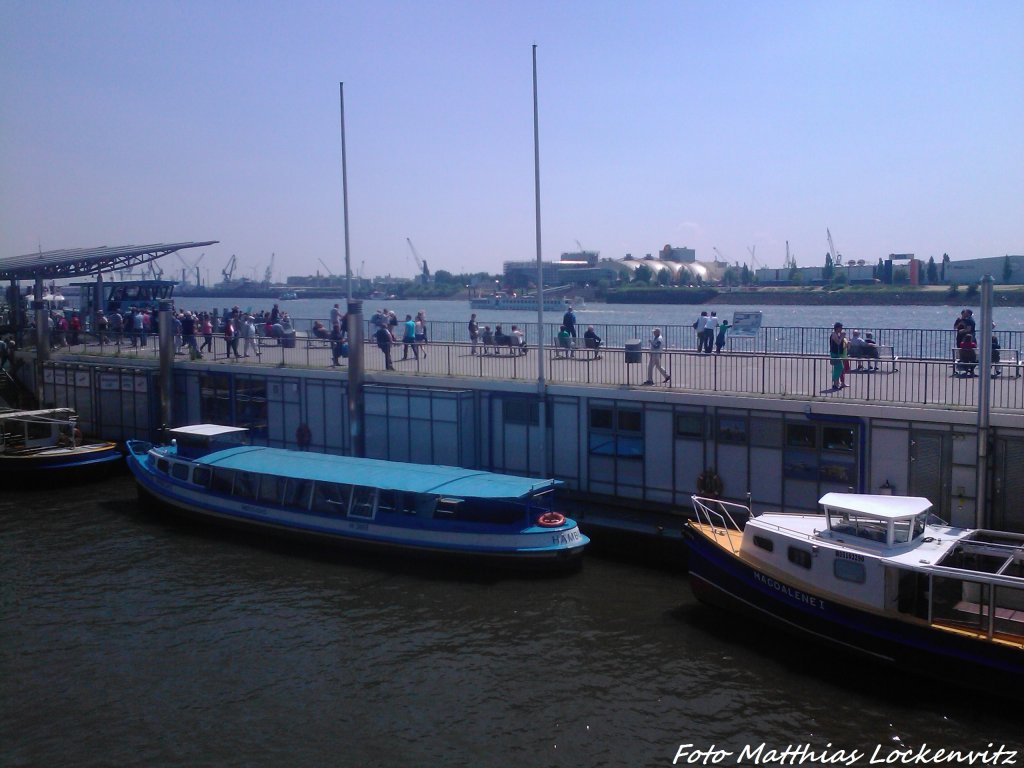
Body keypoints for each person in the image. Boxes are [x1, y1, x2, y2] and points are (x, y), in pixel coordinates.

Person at [829, 322, 846, 390]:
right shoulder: (833, 334)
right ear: (837, 328)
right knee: (839, 367)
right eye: (840, 328)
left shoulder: (836, 334)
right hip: (834, 353)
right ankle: (835, 383)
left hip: (837, 353)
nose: (841, 329)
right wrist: (842, 337)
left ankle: (836, 383)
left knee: (838, 368)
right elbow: (838, 342)